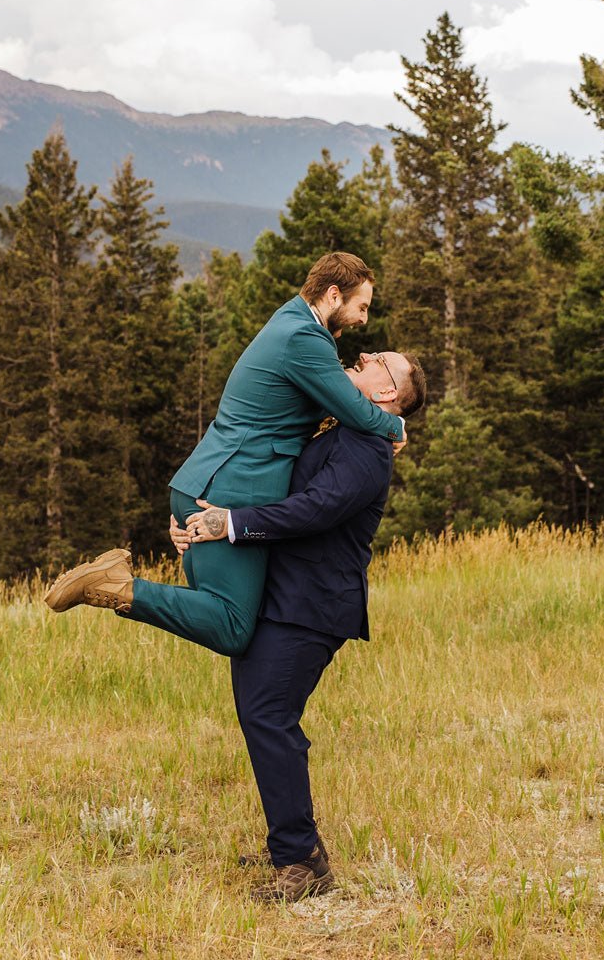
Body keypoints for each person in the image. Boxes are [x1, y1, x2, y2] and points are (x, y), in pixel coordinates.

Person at [45, 253, 406, 655]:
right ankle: (114, 585)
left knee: (219, 612)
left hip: (206, 481)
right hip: (234, 487)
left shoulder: (291, 323)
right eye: (362, 307)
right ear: (334, 294)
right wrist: (397, 426)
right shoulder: (305, 338)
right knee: (231, 626)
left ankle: (120, 587)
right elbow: (354, 409)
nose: (363, 320)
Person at [171, 350, 427, 903]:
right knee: (262, 715)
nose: (363, 354)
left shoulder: (368, 451)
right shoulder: (346, 428)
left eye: (379, 361)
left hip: (312, 606)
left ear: (387, 394)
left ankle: (302, 863)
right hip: (280, 597)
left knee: (269, 716)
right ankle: (292, 841)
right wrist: (203, 524)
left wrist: (231, 523)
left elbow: (314, 509)